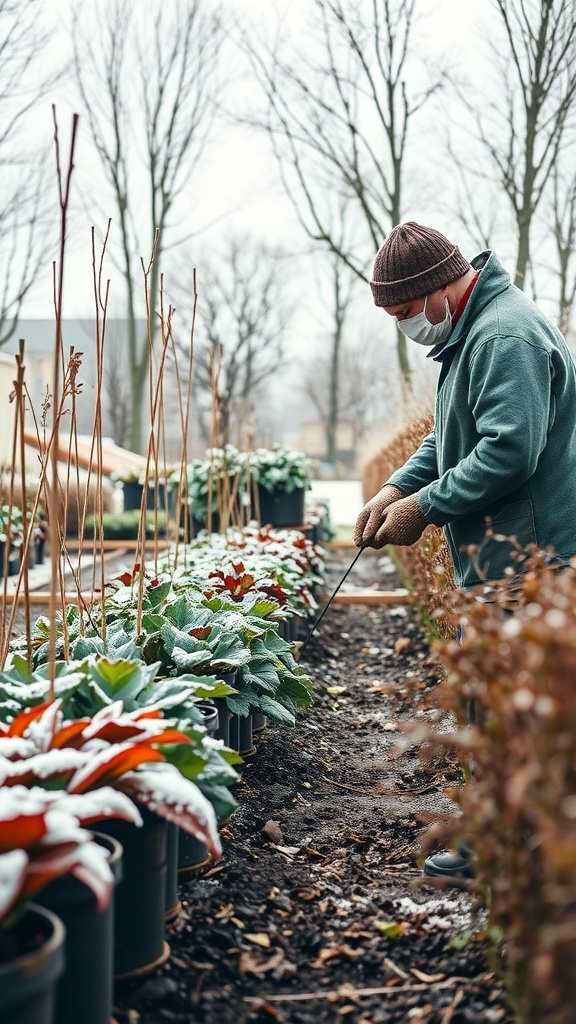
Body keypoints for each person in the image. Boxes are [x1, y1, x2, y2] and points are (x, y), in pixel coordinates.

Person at [353, 221, 576, 880]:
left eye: (405, 313)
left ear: (439, 290)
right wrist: (394, 488)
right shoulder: (467, 335)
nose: (405, 326)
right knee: (490, 695)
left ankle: (513, 854)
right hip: (500, 553)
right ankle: (500, 840)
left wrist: (423, 509)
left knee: (513, 704)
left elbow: (509, 451)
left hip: (530, 557)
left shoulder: (504, 337)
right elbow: (450, 439)